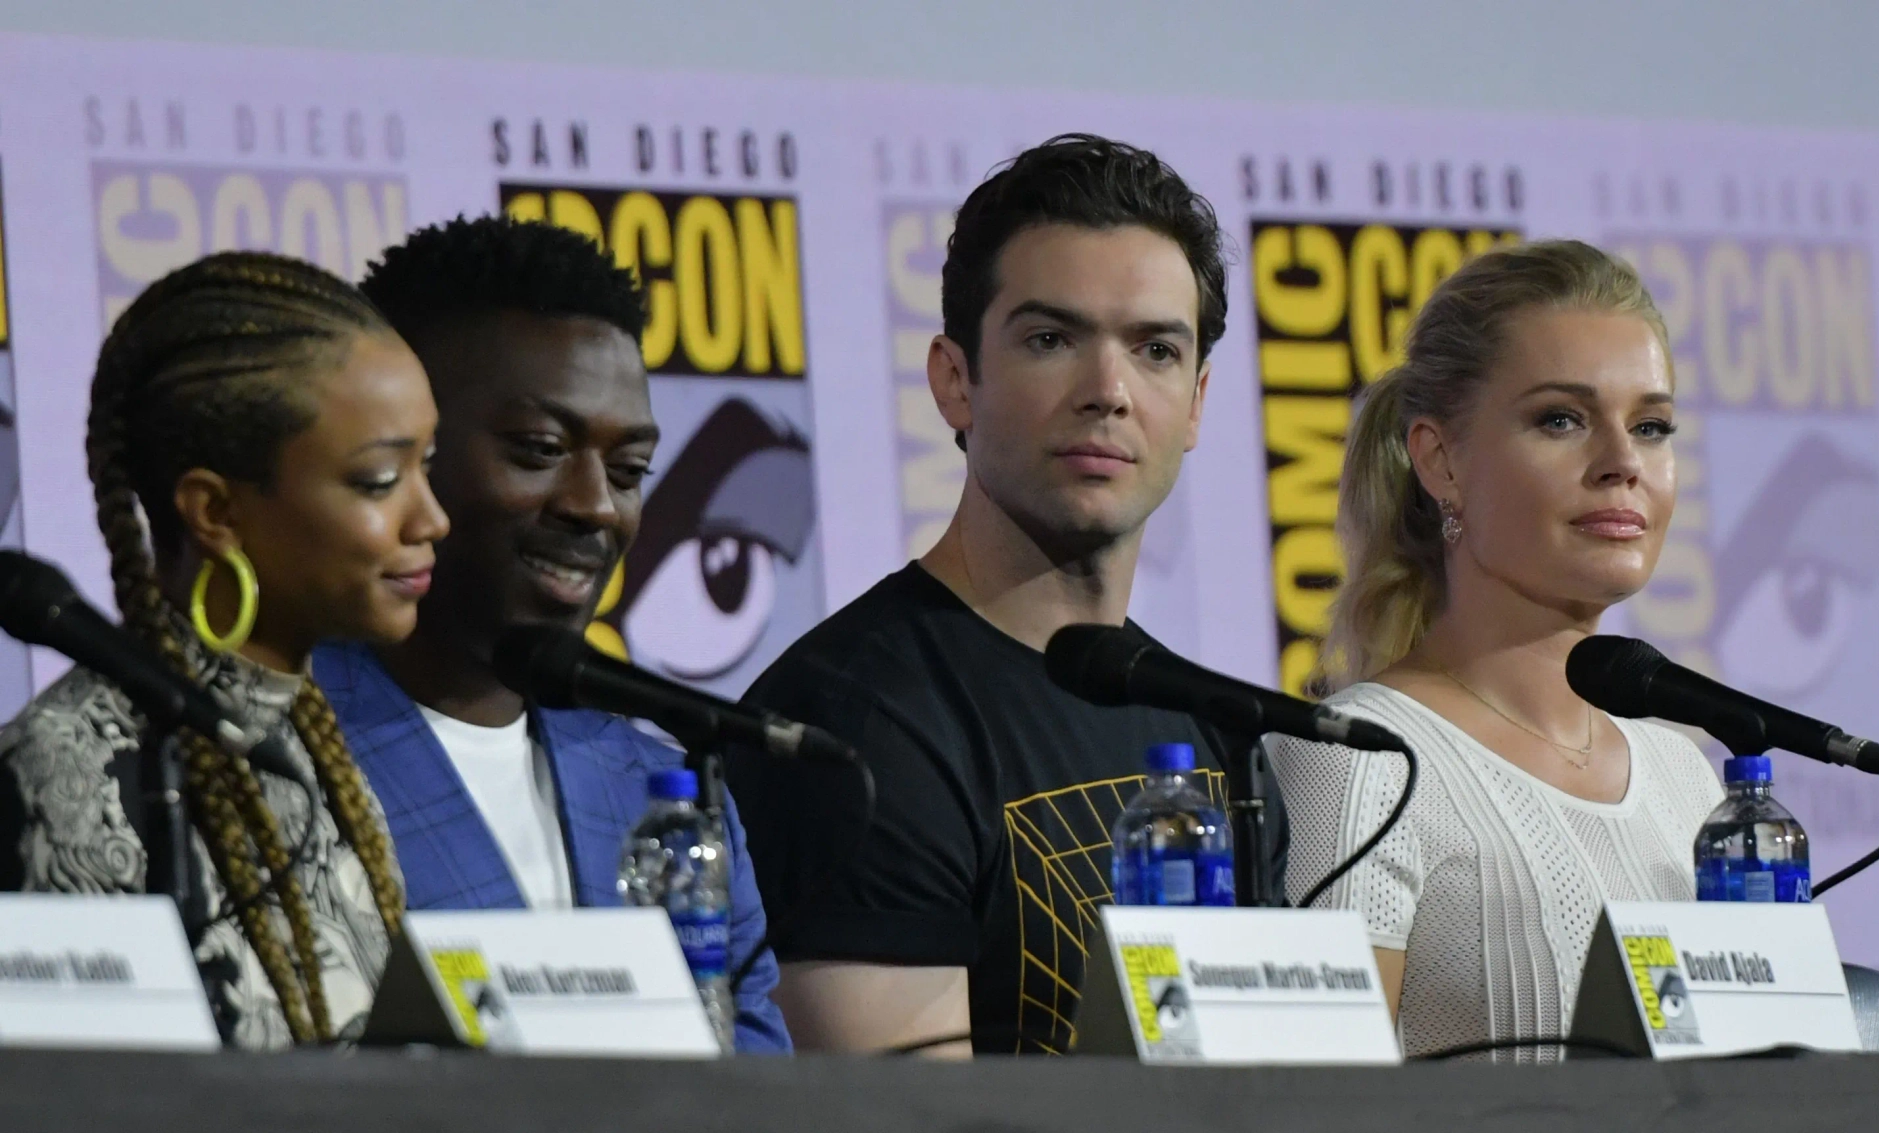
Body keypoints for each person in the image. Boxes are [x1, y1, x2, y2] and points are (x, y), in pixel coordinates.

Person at [727, 134, 1236, 1056]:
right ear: (955, 381)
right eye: (1051, 339)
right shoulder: (849, 732)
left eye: (1155, 349)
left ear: (1197, 401)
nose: (1108, 392)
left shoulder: (1215, 729)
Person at [309, 215, 789, 1053]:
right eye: (539, 449)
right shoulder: (264, 757)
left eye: (629, 470)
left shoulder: (669, 794)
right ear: (399, 455)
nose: (596, 504)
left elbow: (753, 1108)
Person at [1272, 239, 1722, 1061]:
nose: (1623, 464)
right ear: (1441, 459)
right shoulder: (1357, 760)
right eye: (1562, 419)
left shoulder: (1685, 776)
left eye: (1651, 426)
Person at [0, 252, 448, 1049]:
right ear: (214, 511)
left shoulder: (309, 739)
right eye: (381, 479)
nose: (432, 518)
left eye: (429, 464)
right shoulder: (65, 770)